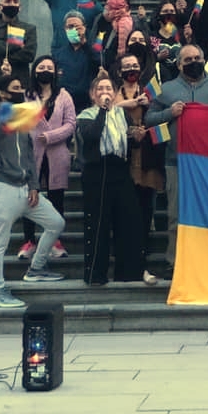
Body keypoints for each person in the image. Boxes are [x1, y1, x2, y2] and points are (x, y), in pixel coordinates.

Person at [144, 45, 208, 277]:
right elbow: (148, 119)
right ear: (179, 64)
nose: (194, 61)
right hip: (176, 161)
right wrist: (168, 113)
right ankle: (174, 262)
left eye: (197, 58)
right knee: (176, 215)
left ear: (204, 59)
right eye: (188, 59)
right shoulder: (165, 89)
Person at [0, 75, 65, 308]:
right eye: (16, 88)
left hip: (25, 189)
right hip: (1, 187)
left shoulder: (22, 121)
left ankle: (37, 268)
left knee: (56, 223)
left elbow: (29, 157)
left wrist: (34, 185)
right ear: (3, 94)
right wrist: (12, 115)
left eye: (21, 88)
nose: (21, 91)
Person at [75, 74, 148, 286]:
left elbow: (126, 141)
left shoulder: (122, 114)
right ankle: (96, 274)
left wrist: (136, 137)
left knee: (128, 221)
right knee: (98, 224)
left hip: (120, 170)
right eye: (100, 89)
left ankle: (128, 272)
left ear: (115, 93)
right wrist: (103, 111)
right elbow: (92, 135)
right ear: (92, 94)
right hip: (96, 172)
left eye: (109, 89)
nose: (105, 92)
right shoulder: (86, 115)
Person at [20, 55, 75, 261]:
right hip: (32, 153)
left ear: (55, 72)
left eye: (49, 67)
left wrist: (51, 136)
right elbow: (20, 122)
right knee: (30, 197)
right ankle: (29, 240)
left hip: (57, 154)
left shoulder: (64, 95)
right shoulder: (26, 95)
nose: (45, 70)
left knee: (56, 199)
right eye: (41, 67)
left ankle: (54, 241)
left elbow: (71, 124)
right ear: (34, 71)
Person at [114, 54, 163, 286]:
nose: (131, 69)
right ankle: (125, 267)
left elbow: (162, 117)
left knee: (145, 215)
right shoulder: (114, 91)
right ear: (119, 70)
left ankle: (143, 265)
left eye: (135, 65)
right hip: (122, 158)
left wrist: (148, 107)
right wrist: (130, 103)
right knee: (125, 216)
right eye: (127, 66)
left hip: (147, 159)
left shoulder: (151, 91)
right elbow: (105, 109)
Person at [56, 10, 101, 114]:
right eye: (70, 27)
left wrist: (84, 43)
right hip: (65, 105)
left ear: (84, 28)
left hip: (87, 104)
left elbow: (100, 63)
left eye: (77, 27)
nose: (74, 30)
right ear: (65, 29)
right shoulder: (58, 54)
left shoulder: (93, 50)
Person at [91, 0, 134, 72]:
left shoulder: (131, 21)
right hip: (96, 67)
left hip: (119, 68)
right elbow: (92, 39)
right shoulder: (100, 18)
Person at [149, 0, 184, 82]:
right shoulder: (152, 36)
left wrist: (189, 40)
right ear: (158, 14)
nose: (169, 14)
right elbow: (146, 59)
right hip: (159, 79)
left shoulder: (183, 34)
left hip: (181, 80)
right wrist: (157, 57)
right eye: (165, 11)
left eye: (172, 11)